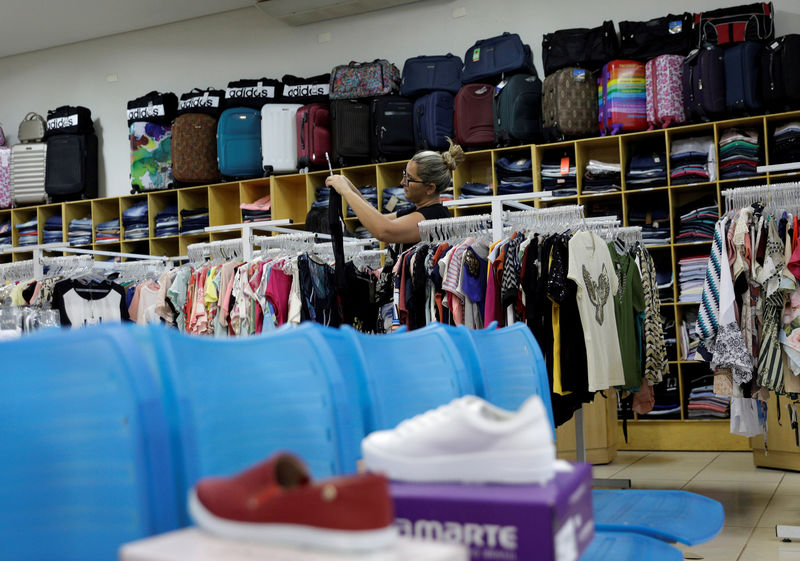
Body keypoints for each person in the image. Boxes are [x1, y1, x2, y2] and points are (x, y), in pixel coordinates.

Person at [325, 139, 465, 244]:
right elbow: (379, 219)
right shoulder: (417, 211)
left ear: (430, 188)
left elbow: (383, 231)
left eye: (409, 178)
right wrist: (350, 187)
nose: (402, 182)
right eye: (405, 175)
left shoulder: (433, 217)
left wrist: (346, 192)